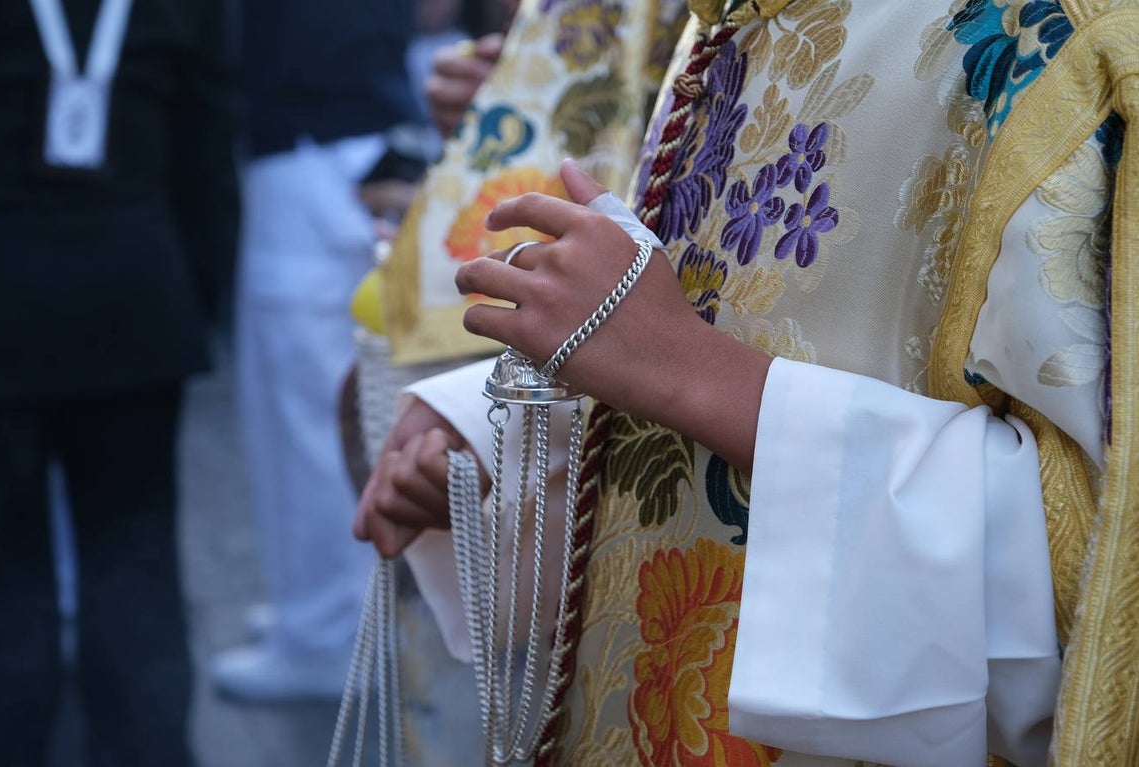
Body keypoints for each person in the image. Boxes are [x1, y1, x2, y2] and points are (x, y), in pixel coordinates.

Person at [354, 0, 1139, 765]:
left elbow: (1102, 593)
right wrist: (508, 431)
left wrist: (683, 369)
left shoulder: (1078, 44)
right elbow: (705, 319)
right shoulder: (732, 14)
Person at [0, 0, 238, 764]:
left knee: (5, 569)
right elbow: (208, 154)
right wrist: (198, 299)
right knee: (132, 557)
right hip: (135, 299)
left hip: (4, 296)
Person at [209, 0, 427, 702]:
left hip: (317, 142)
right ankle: (329, 607)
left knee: (306, 414)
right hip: (355, 128)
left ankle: (323, 632)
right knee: (337, 401)